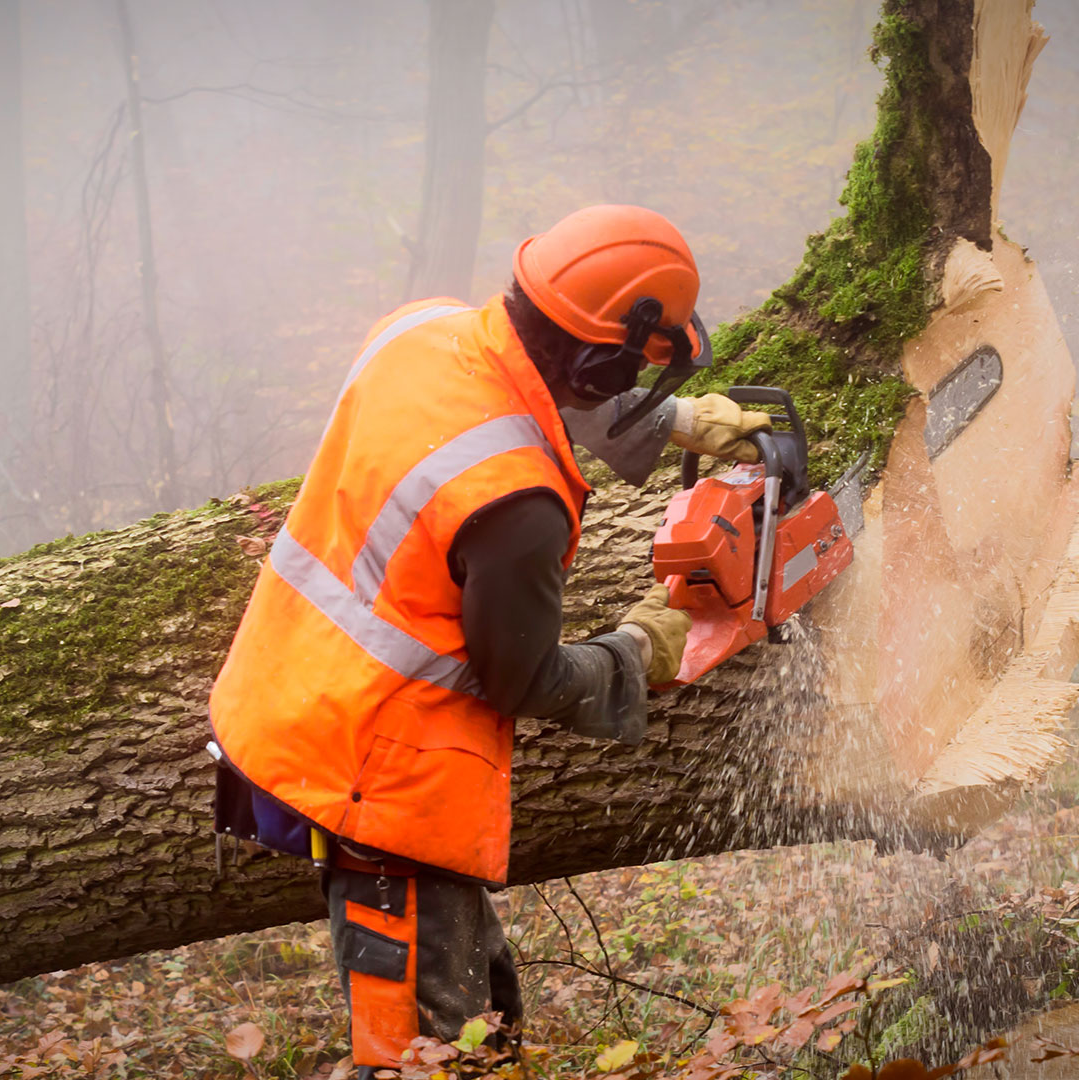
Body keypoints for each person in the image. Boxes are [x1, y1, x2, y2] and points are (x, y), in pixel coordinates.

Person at [207, 205, 774, 1075]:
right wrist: (641, 649)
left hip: (294, 689)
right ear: (592, 358)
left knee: (485, 1013)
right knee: (420, 1049)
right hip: (376, 770)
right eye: (627, 369)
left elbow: (518, 388)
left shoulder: (423, 332)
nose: (628, 380)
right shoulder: (515, 503)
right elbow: (523, 677)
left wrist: (667, 419)